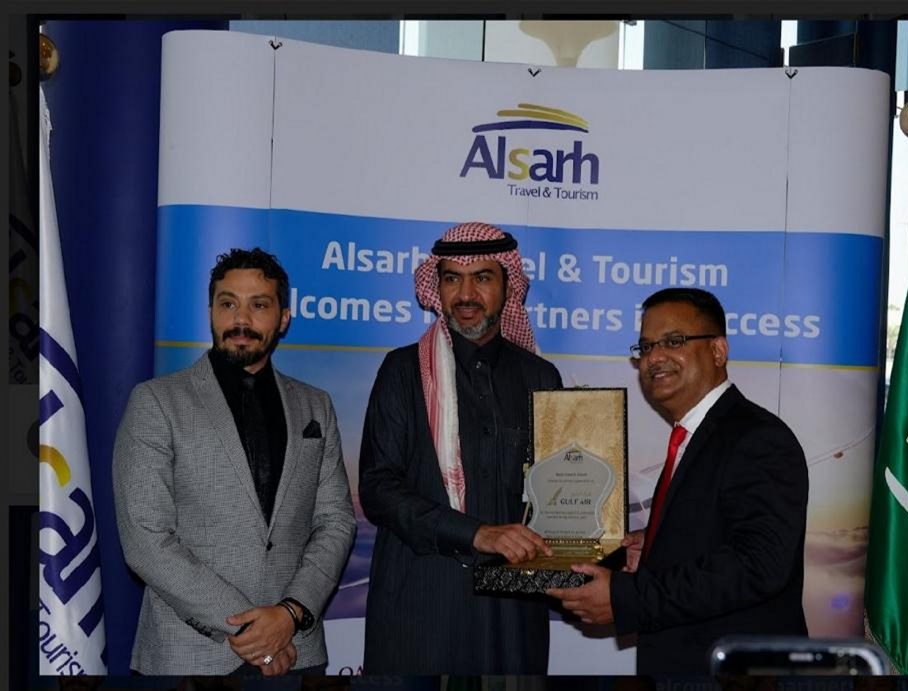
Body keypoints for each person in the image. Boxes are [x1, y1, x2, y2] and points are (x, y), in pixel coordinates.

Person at [113, 248, 357, 676]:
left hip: (297, 650)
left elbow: (336, 521)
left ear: (284, 318)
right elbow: (145, 539)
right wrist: (252, 630)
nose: (240, 319)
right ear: (210, 311)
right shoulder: (156, 402)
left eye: (259, 305)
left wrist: (290, 613)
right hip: (190, 656)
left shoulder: (316, 405)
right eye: (228, 304)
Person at [547, 287, 808, 674]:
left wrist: (628, 598)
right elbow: (714, 533)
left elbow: (759, 565)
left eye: (673, 341)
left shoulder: (758, 438)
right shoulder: (691, 437)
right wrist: (654, 545)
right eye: (645, 347)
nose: (654, 357)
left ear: (718, 350)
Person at [359, 222, 562, 674]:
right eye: (452, 278)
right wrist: (476, 533)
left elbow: (557, 494)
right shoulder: (402, 372)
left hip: (513, 612)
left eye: (482, 278)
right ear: (438, 286)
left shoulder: (540, 378)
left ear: (508, 286)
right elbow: (378, 488)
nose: (466, 294)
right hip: (423, 604)